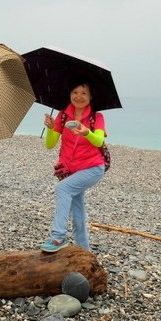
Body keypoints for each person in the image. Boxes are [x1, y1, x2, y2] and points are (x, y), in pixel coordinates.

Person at [40, 80, 107, 253]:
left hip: (93, 168)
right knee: (77, 209)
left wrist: (86, 132)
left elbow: (99, 141)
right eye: (75, 92)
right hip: (71, 171)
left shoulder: (96, 117)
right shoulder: (63, 115)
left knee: (63, 189)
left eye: (83, 93)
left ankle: (58, 237)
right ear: (69, 94)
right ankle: (84, 250)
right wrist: (50, 128)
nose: (78, 96)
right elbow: (50, 144)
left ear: (91, 96)